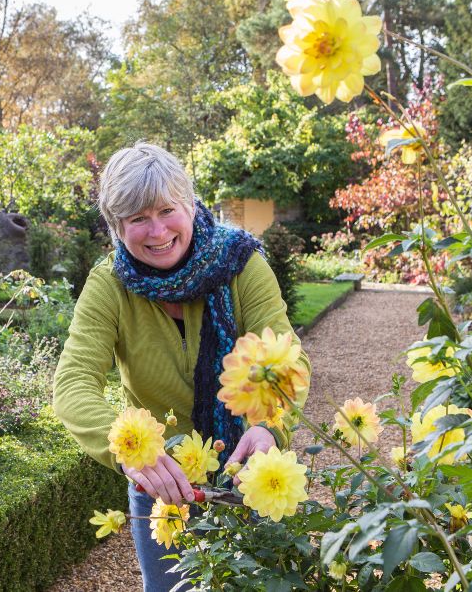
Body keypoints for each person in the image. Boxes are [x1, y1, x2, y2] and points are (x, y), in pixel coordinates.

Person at [53, 142, 310, 591]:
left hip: (252, 470)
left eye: (167, 210)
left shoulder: (241, 265)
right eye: (137, 219)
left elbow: (287, 358)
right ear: (117, 227)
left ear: (189, 203)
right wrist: (133, 454)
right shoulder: (108, 285)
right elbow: (73, 384)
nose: (156, 232)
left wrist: (271, 427)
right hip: (164, 486)